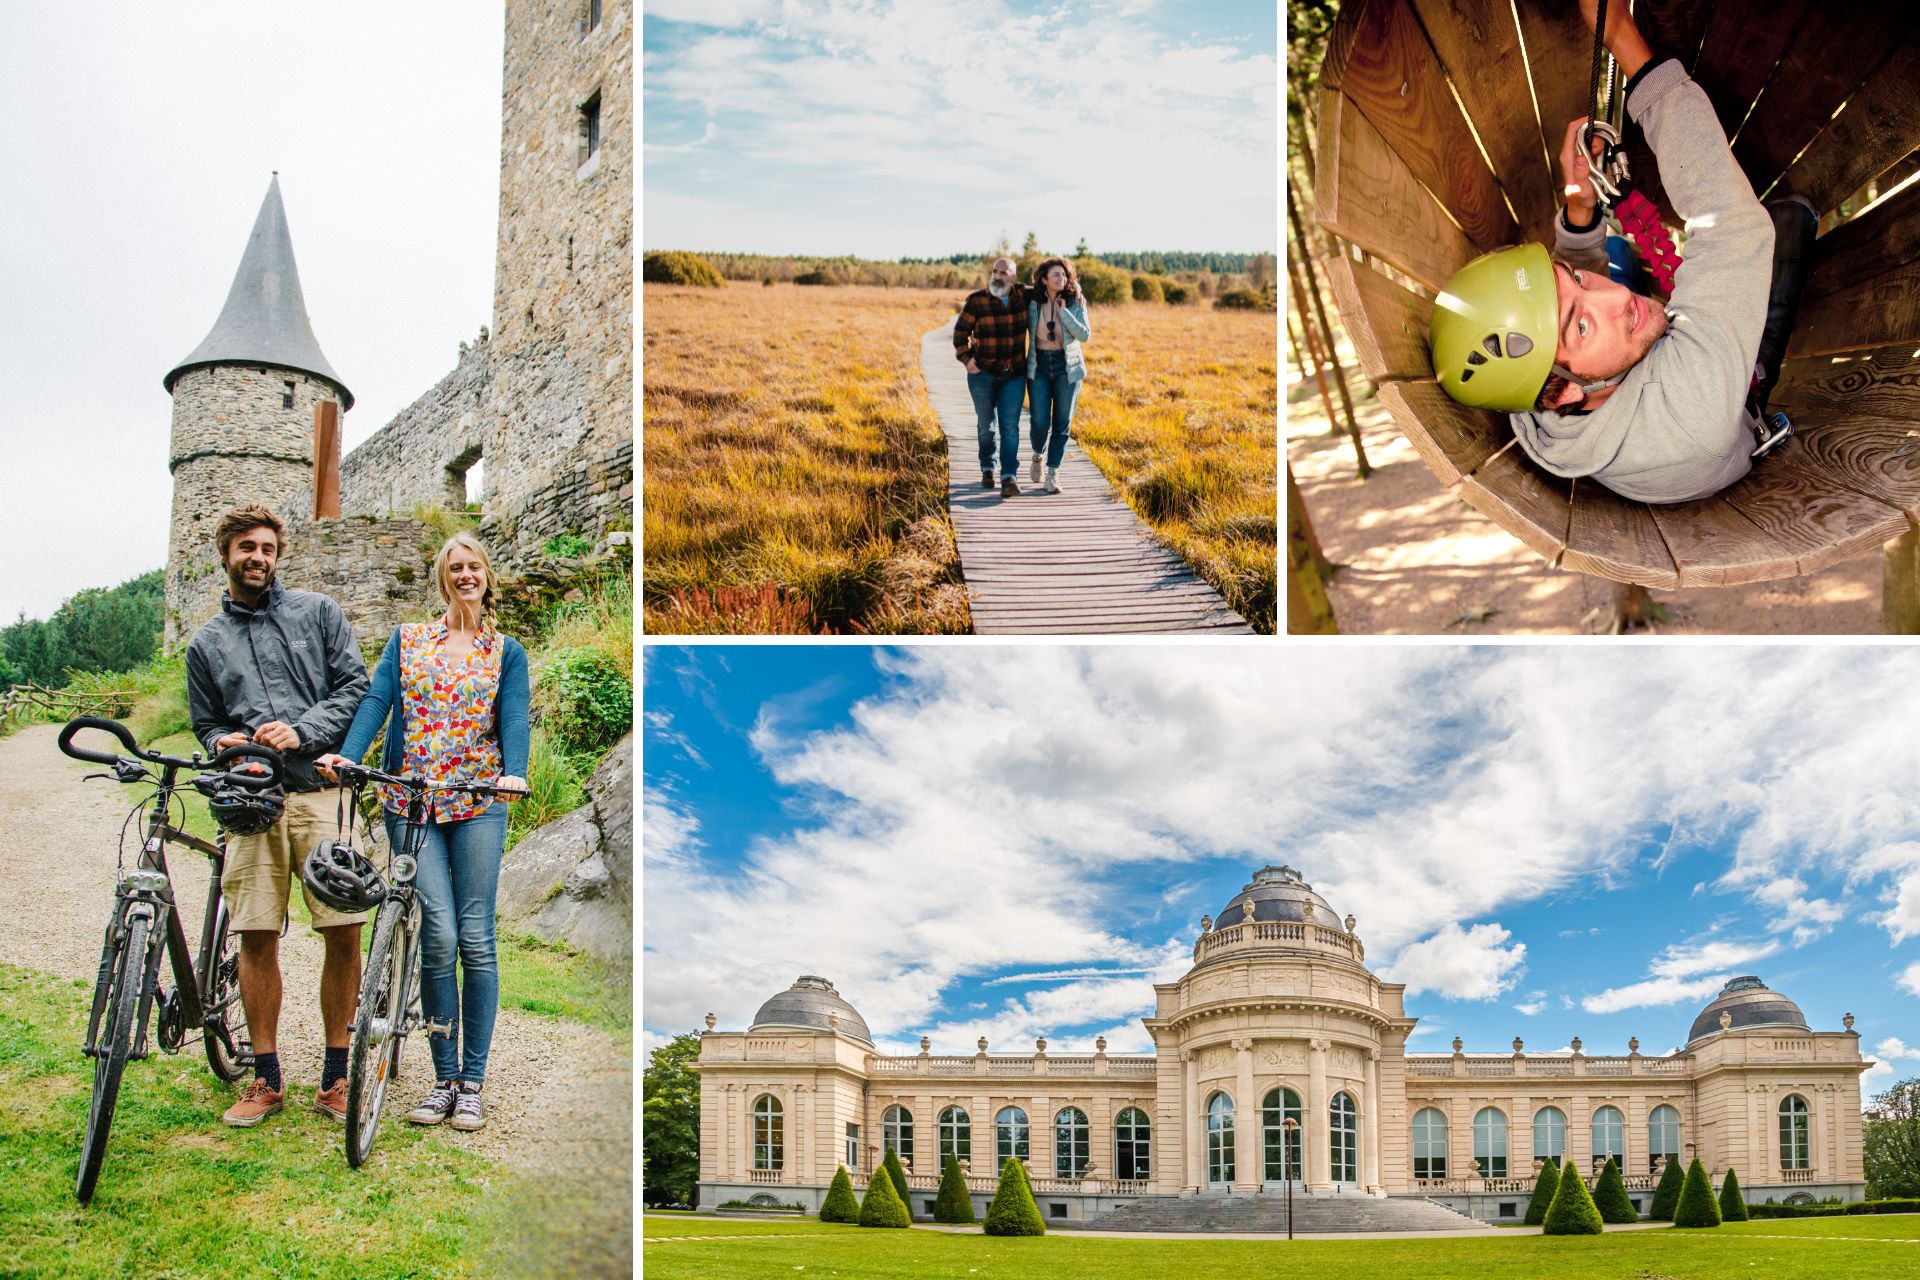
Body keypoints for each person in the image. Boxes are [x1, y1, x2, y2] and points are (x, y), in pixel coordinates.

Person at [1428, 0, 1814, 504]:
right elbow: (1731, 226)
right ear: (1568, 390)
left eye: (1577, 280)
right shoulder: (1688, 411)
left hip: (1656, 386)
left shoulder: (1545, 393)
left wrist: (1581, 209)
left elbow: (1569, 308)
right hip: (1727, 392)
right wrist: (1622, 40)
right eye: (1581, 327)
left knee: (1611, 247)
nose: (1615, 297)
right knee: (1791, 218)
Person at [317, 531, 529, 1133]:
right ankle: (443, 1080)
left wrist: (515, 772)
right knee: (438, 933)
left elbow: (514, 717)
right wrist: (349, 755)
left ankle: (473, 1083)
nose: (465, 575)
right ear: (443, 579)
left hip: (479, 800)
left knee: (476, 938)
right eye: (455, 567)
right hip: (411, 800)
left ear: (487, 576)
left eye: (473, 566)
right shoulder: (408, 640)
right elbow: (376, 701)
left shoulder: (506, 651)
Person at [185, 503, 370, 1128]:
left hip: (319, 793)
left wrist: (302, 730)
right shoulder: (206, 643)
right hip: (251, 804)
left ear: (278, 554)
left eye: (266, 548)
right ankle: (265, 1078)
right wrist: (224, 743)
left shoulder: (318, 613)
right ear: (225, 555)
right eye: (246, 548)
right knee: (255, 935)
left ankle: (336, 1075)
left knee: (343, 930)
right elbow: (207, 723)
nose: (257, 558)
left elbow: (354, 688)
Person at [954, 256, 1035, 497]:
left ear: (1013, 277)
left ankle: (1009, 477)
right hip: (982, 374)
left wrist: (1074, 292)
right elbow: (960, 333)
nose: (997, 276)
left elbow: (1050, 288)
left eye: (1003, 272)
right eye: (995, 271)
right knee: (986, 426)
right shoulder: (977, 300)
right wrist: (967, 359)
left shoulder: (1023, 296)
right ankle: (988, 467)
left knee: (1010, 426)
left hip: (1014, 375)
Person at [1025, 257, 1093, 494]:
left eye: (1064, 275)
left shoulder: (1075, 301)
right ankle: (1037, 455)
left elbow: (1084, 335)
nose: (1061, 278)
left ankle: (1052, 473)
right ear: (1044, 279)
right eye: (1056, 274)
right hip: (1039, 366)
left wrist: (1065, 313)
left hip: (1067, 368)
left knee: (1062, 423)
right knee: (1039, 423)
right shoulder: (1032, 301)